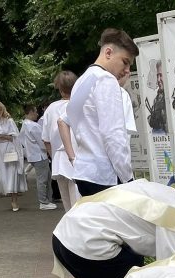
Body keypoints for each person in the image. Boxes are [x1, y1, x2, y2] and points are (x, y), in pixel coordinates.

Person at [67, 28, 139, 197]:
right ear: (108, 52)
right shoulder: (106, 80)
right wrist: (128, 178)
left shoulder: (81, 81)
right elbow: (113, 135)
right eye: (125, 62)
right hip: (105, 176)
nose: (127, 70)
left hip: (84, 172)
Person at [42, 70, 80, 210]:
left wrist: (54, 156)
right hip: (79, 157)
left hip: (59, 160)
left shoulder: (51, 109)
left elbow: (46, 140)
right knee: (79, 204)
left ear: (60, 89)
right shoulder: (80, 104)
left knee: (68, 206)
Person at [0, 101, 26, 211]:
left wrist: (3, 136)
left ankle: (14, 200)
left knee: (12, 174)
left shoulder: (9, 121)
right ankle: (7, 191)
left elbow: (15, 137)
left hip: (10, 150)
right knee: (2, 174)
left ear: (0, 109)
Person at [20, 105, 56, 211]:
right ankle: (44, 201)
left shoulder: (24, 125)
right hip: (40, 155)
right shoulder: (33, 126)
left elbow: (22, 141)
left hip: (33, 155)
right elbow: (42, 141)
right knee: (43, 179)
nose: (37, 114)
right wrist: (49, 150)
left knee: (45, 178)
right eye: (35, 111)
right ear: (31, 111)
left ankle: (47, 200)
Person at [147, 65, 169, 133]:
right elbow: (152, 122)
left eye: (161, 75)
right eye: (157, 76)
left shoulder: (172, 96)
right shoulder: (158, 97)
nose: (158, 80)